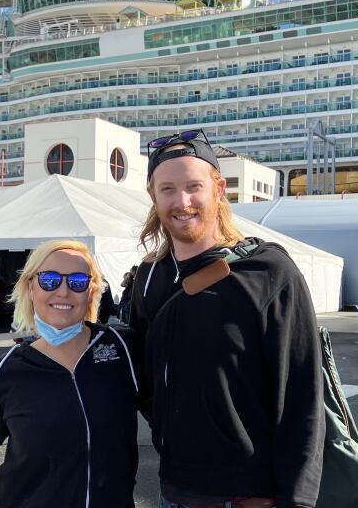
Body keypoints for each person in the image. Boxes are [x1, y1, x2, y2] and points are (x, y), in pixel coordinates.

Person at [129, 130, 325, 508]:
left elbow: (303, 394)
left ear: (218, 189)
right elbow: (143, 374)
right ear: (153, 196)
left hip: (249, 495)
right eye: (167, 189)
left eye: (193, 186)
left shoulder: (268, 271)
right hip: (176, 488)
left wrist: (296, 500)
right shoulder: (149, 277)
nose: (182, 201)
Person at [0, 240, 139, 508]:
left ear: (91, 291)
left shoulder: (123, 349)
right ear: (31, 287)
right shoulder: (6, 373)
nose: (63, 291)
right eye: (50, 280)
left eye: (78, 281)